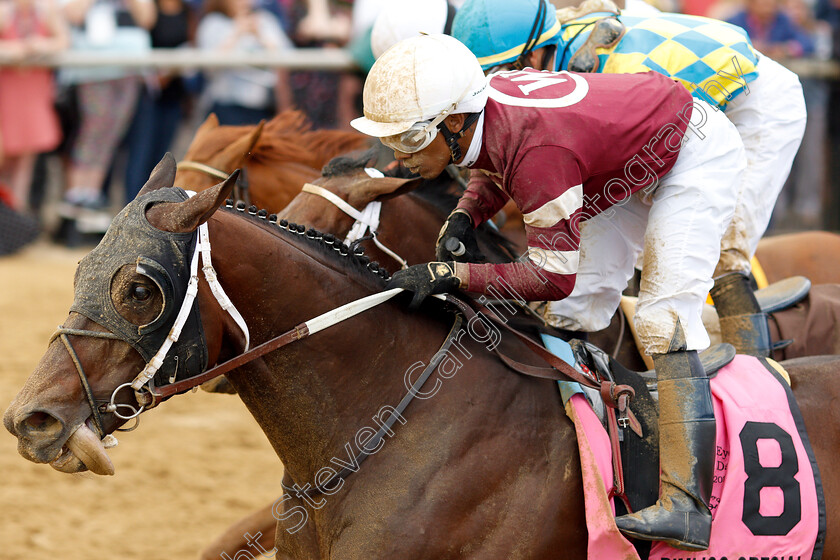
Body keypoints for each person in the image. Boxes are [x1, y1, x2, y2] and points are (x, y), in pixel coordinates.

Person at [351, 33, 746, 551]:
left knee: (662, 318)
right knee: (575, 308)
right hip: (625, 156)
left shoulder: (540, 150)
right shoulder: (484, 106)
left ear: (452, 121)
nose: (397, 155)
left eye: (408, 138)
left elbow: (551, 273)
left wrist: (454, 276)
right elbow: (494, 158)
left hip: (694, 154)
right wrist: (467, 212)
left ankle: (687, 503)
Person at [452, 0, 808, 358]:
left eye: (496, 75)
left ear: (535, 56)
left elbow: (686, 147)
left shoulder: (610, 70)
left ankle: (759, 372)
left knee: (718, 252)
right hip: (677, 114)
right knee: (601, 257)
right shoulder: (547, 61)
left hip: (751, 103)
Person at [57, 0, 155, 228]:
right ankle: (75, 196)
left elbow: (147, 19)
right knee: (93, 130)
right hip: (92, 68)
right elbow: (73, 14)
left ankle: (91, 195)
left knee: (111, 134)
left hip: (128, 67)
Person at [0, 0, 69, 212]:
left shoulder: (46, 11)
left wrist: (41, 45)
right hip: (7, 92)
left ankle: (15, 220)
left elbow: (64, 41)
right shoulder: (4, 12)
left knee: (26, 163)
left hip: (33, 93)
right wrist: (13, 50)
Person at [196, 0, 294, 125]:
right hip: (226, 105)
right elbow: (208, 66)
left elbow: (288, 57)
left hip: (263, 106)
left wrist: (260, 36)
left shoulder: (265, 20)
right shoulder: (213, 22)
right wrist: (236, 33)